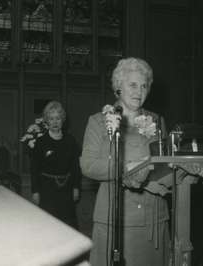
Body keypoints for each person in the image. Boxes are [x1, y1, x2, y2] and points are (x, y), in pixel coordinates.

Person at [80, 57, 172, 266]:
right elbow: (88, 165)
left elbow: (164, 164)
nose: (139, 91)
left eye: (144, 86)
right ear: (118, 86)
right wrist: (126, 167)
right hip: (116, 221)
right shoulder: (98, 121)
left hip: (154, 220)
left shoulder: (157, 121)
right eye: (132, 84)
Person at [30, 101, 81, 228]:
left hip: (66, 189)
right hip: (47, 191)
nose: (55, 122)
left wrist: (76, 187)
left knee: (68, 227)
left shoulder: (71, 141)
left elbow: (75, 167)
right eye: (51, 119)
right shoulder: (41, 142)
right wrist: (35, 191)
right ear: (46, 121)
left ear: (62, 120)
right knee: (48, 226)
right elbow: (34, 169)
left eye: (58, 118)